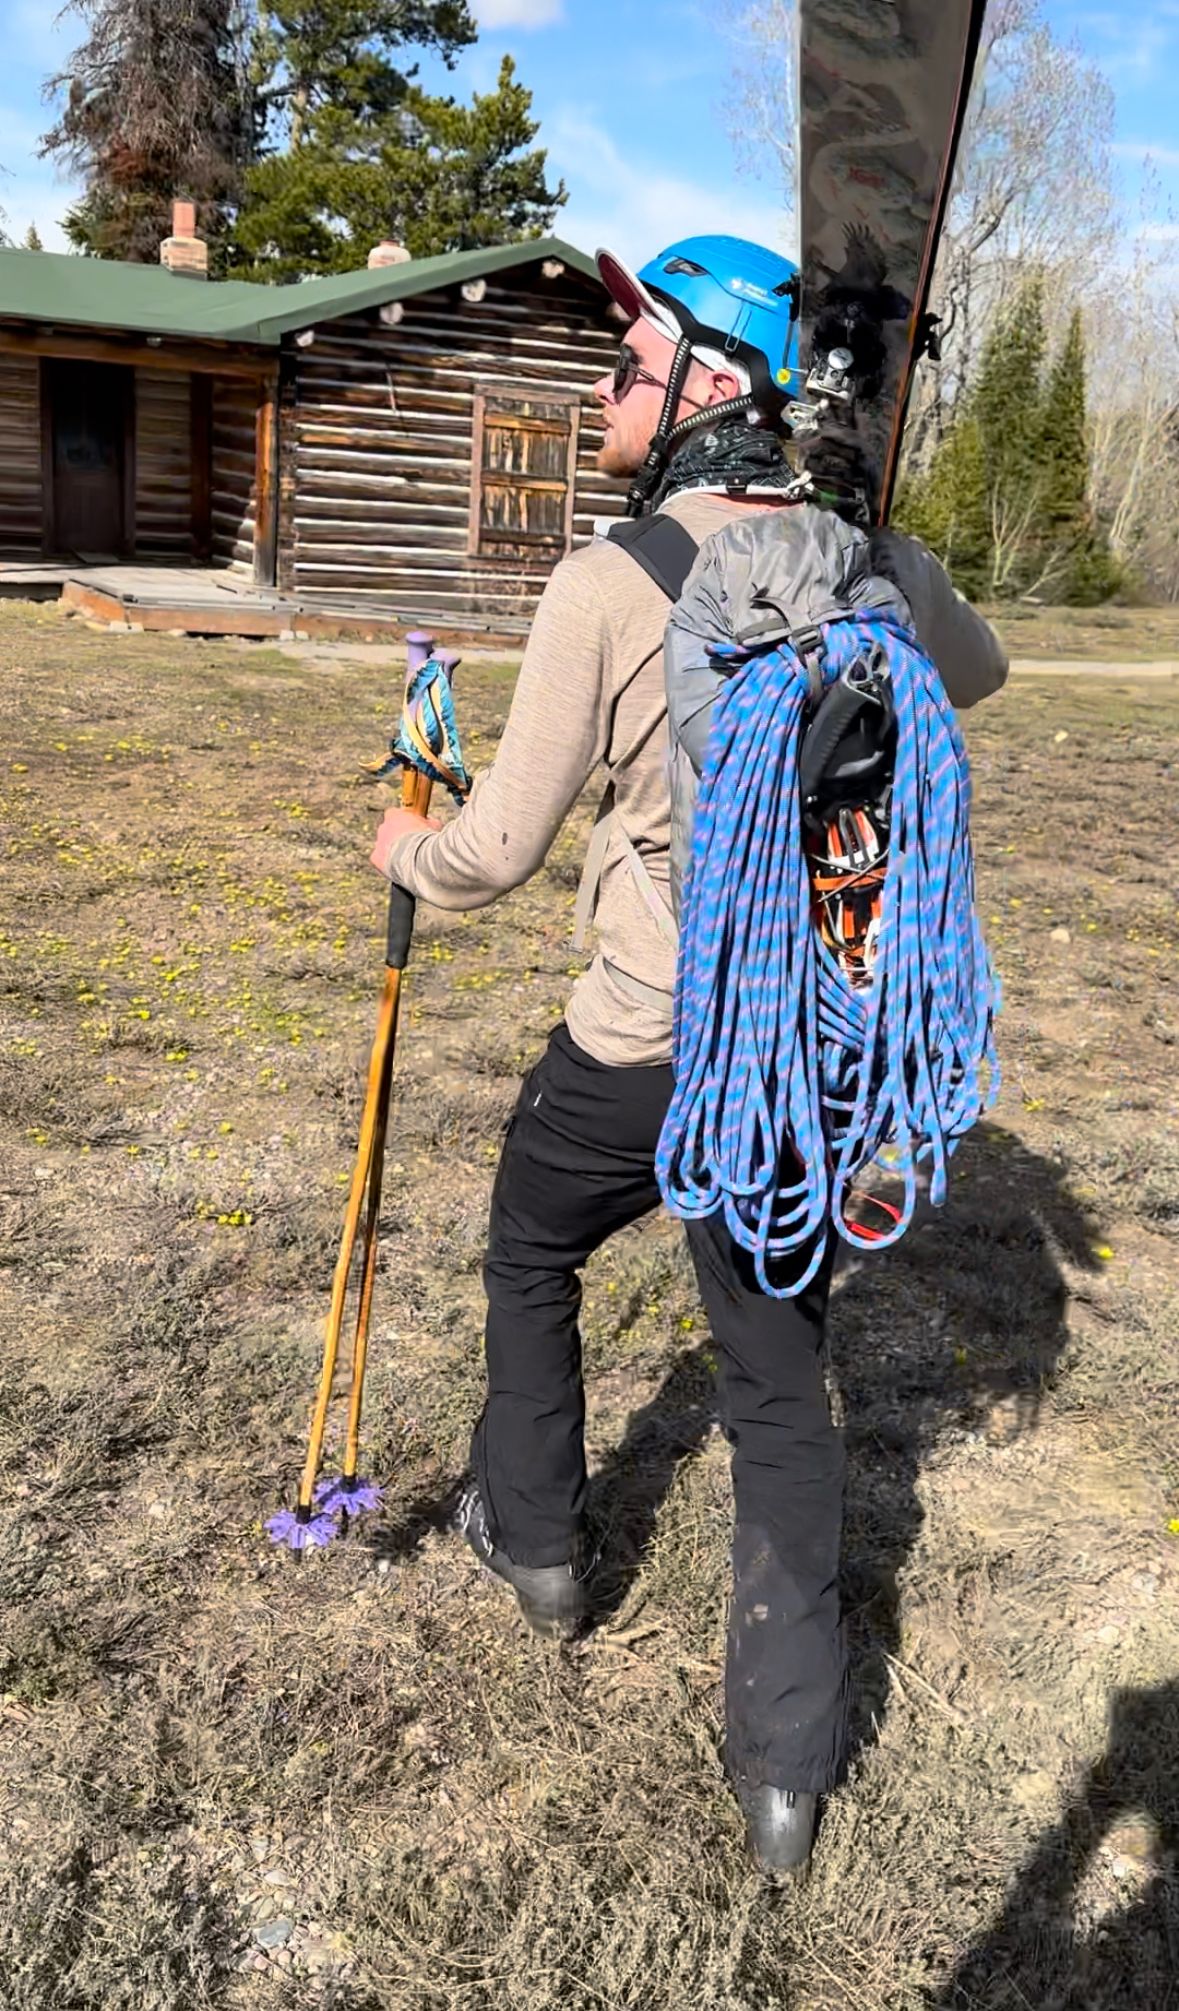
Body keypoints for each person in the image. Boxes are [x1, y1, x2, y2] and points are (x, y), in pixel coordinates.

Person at [371, 236, 1008, 1878]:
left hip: (647, 1039)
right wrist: (873, 559)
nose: (604, 388)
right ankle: (787, 1773)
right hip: (797, 1064)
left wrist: (402, 852)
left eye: (629, 357)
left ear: (709, 386)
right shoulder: (873, 567)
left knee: (530, 1239)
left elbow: (501, 847)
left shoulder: (609, 580)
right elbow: (978, 678)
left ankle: (537, 1547)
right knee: (778, 1383)